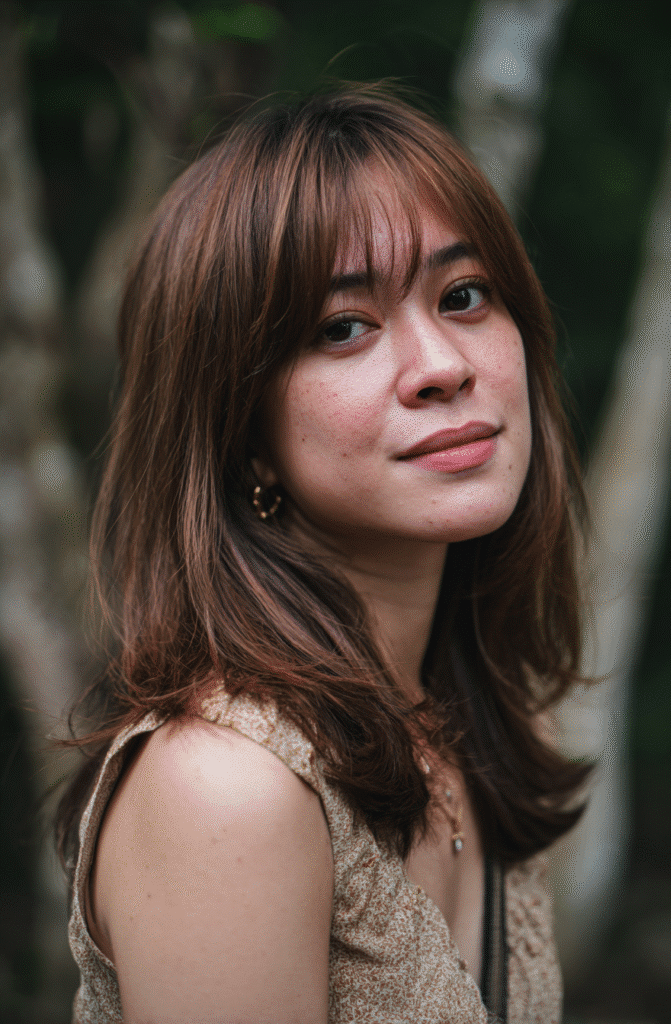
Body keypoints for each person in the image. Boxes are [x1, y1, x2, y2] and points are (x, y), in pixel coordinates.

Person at [58, 84, 590, 1024]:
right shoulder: (227, 788)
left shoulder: (478, 723)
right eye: (344, 327)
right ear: (240, 429)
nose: (441, 364)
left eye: (463, 296)